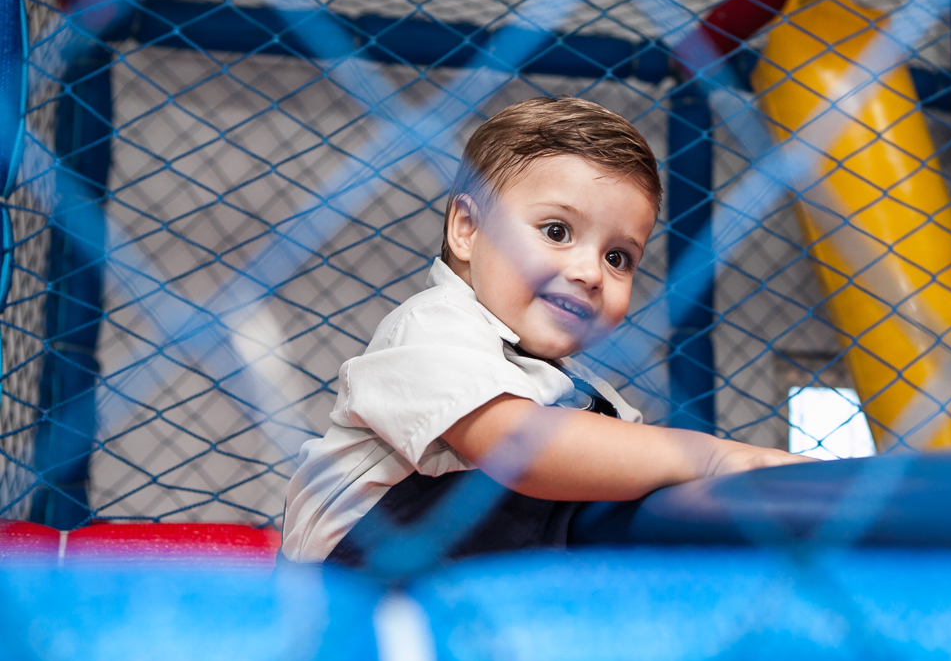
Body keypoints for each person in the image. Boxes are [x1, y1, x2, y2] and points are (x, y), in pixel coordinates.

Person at [280, 96, 805, 570]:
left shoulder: (588, 397)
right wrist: (711, 457)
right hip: (341, 600)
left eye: (618, 257)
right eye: (557, 231)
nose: (590, 272)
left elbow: (624, 470)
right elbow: (515, 443)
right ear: (467, 229)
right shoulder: (433, 328)